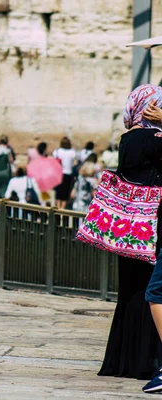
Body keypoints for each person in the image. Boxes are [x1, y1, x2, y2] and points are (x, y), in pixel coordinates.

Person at [96, 84, 162, 387]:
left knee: (134, 291)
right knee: (151, 293)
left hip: (134, 228)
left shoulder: (130, 138)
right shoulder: (150, 139)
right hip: (151, 229)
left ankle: (130, 359)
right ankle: (147, 360)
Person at [51, 137, 77, 209]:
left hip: (59, 174)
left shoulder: (57, 151)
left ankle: (58, 207)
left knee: (58, 193)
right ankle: (62, 208)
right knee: (65, 193)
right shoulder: (72, 152)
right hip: (68, 173)